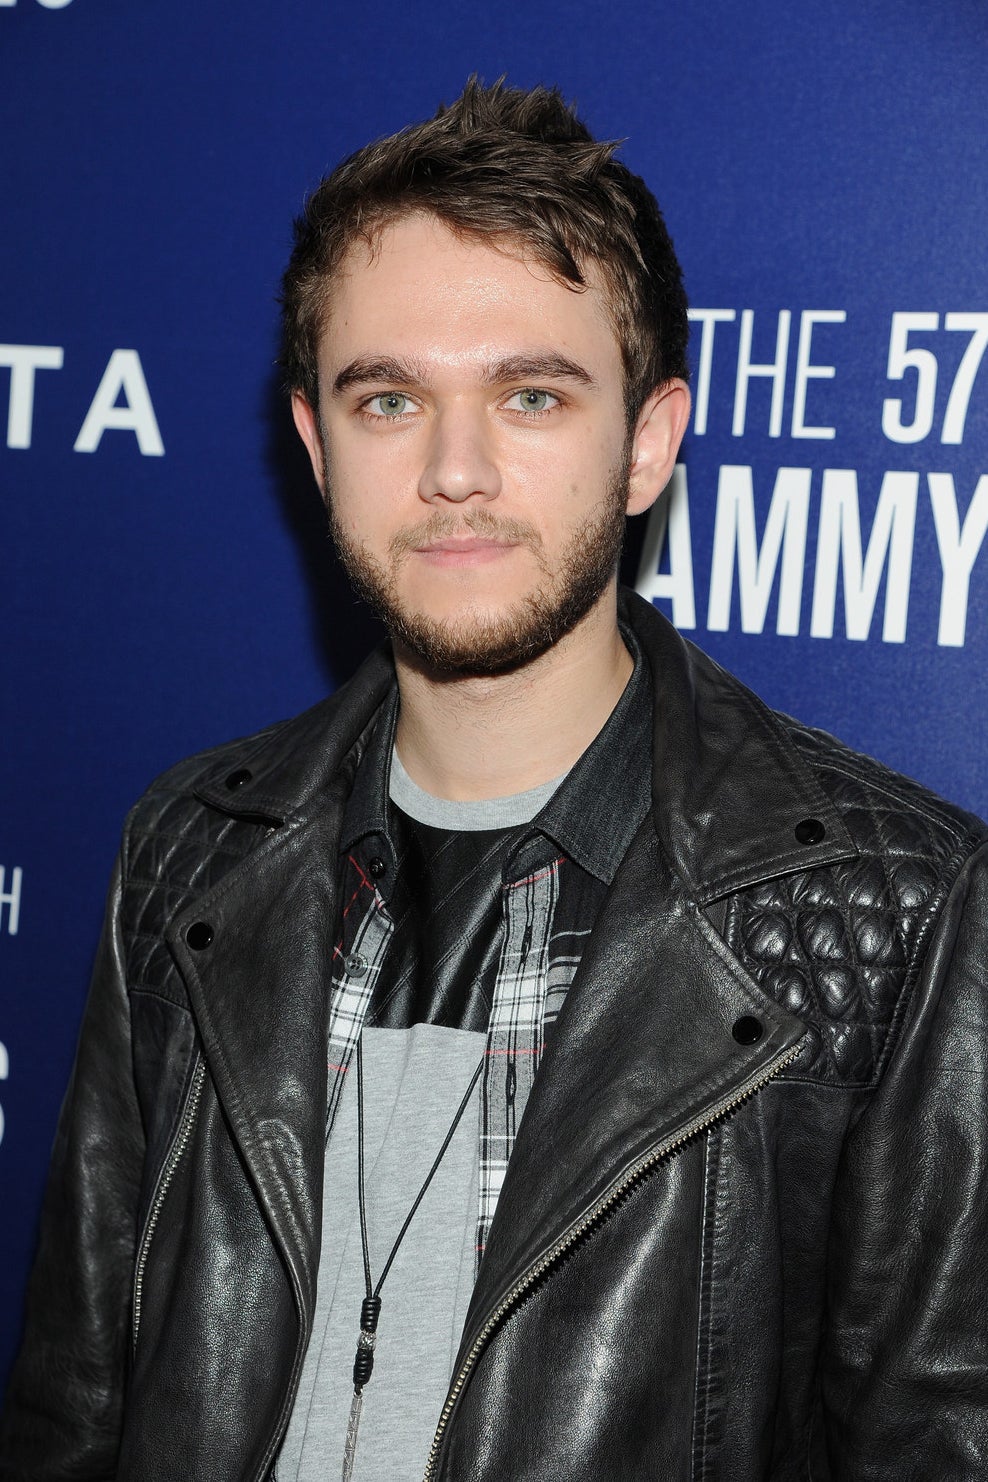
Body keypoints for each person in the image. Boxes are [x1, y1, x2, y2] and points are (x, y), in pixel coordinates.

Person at [2, 77, 988, 1482]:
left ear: (647, 443)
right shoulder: (188, 845)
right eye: (390, 398)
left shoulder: (891, 908)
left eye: (531, 395)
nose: (454, 470)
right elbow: (70, 1404)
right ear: (316, 445)